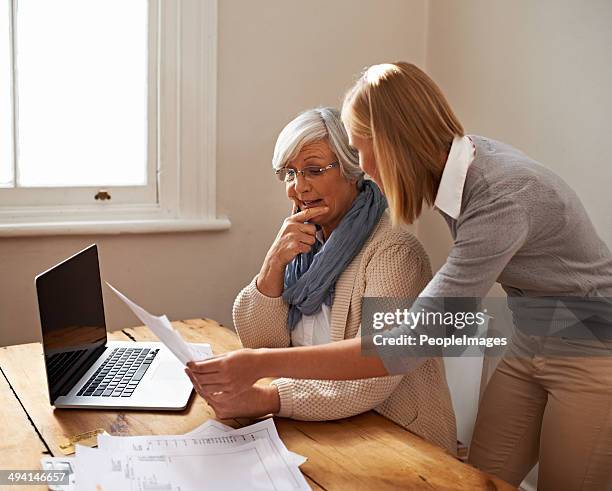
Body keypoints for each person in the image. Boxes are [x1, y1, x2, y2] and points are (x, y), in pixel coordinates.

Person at [188, 64, 612, 490]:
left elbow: (406, 346)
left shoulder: (501, 197)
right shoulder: (454, 176)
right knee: (476, 480)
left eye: (359, 150)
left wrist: (262, 366)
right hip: (531, 333)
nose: (363, 167)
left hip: (592, 341)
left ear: (392, 142)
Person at [187, 107, 457, 453]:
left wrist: (267, 397)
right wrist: (273, 265)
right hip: (322, 428)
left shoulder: (394, 253)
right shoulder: (304, 239)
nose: (298, 187)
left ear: (352, 171)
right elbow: (262, 342)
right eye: (289, 173)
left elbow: (375, 372)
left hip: (396, 441)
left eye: (313, 170)